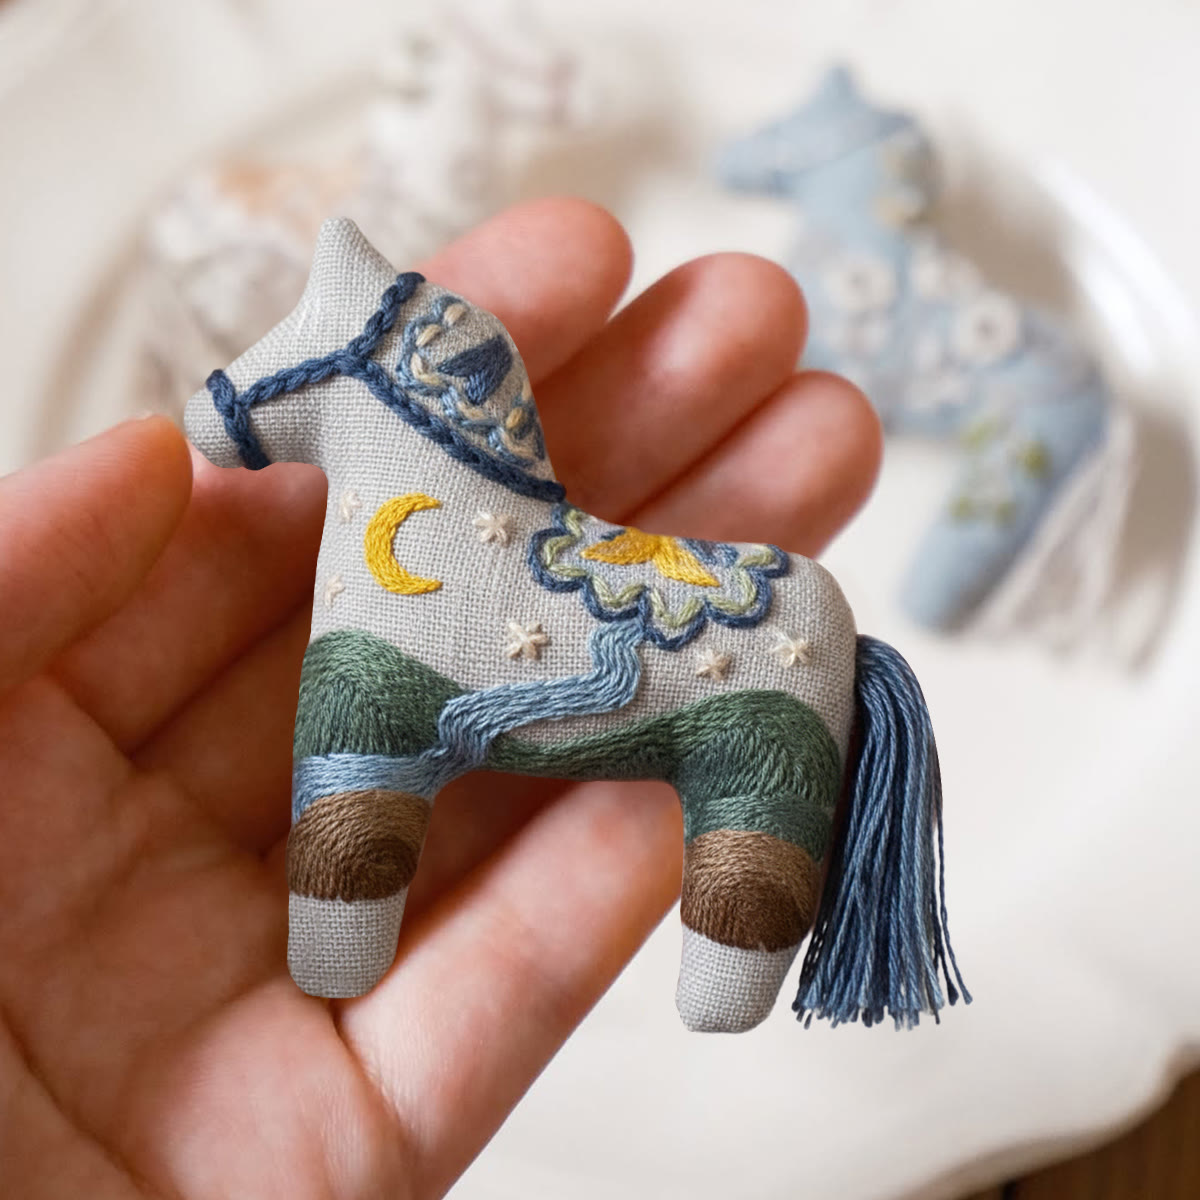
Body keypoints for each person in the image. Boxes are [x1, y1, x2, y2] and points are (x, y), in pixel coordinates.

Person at [0, 198, 880, 1197]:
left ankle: (731, 946)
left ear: (366, 370)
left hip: (752, 645)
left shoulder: (773, 610)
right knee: (353, 782)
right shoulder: (364, 613)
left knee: (722, 851)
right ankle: (342, 937)